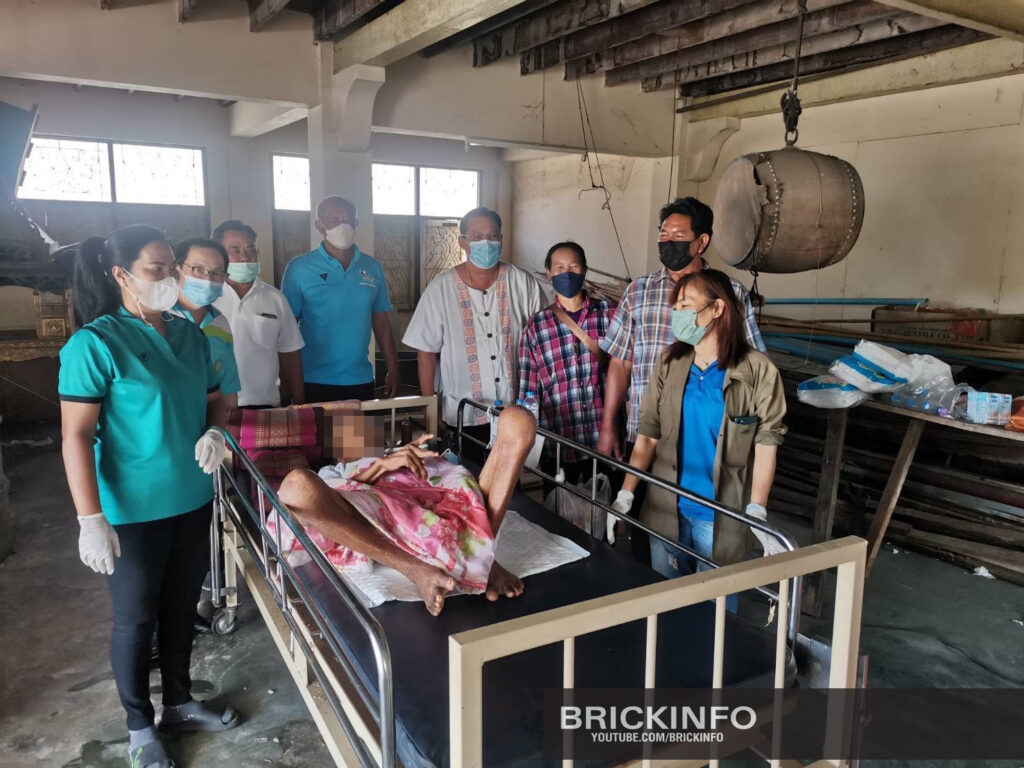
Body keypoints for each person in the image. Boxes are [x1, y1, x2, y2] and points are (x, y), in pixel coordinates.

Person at [59, 225, 238, 768]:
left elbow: (216, 400)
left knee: (181, 607)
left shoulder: (190, 336)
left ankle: (179, 703)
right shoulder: (95, 344)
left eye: (171, 269)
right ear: (121, 275)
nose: (170, 278)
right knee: (136, 620)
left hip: (191, 498)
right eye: (156, 269)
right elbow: (76, 435)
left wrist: (216, 431)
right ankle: (139, 726)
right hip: (132, 510)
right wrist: (90, 518)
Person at [598, 197, 766, 558]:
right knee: (648, 536)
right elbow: (620, 363)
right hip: (645, 436)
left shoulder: (729, 293)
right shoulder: (638, 291)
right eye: (663, 234)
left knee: (709, 544)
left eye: (678, 235)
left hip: (706, 442)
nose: (667, 242)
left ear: (701, 242)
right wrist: (609, 423)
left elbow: (751, 365)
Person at [611, 269, 786, 602]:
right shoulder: (669, 362)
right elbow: (648, 433)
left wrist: (757, 510)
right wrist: (626, 494)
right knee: (666, 602)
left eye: (686, 305)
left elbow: (767, 443)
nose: (677, 314)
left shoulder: (757, 370)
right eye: (675, 307)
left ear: (717, 308)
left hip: (720, 513)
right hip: (666, 508)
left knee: (715, 610)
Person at [277, 406, 537, 615]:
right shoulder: (333, 471)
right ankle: (419, 569)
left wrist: (412, 462)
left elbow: (445, 477)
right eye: (351, 440)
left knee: (519, 419)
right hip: (370, 519)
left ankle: (481, 556)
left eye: (368, 437)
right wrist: (379, 468)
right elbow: (329, 498)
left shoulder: (402, 455)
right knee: (297, 487)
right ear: (338, 455)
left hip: (431, 505)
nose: (362, 442)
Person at [403, 207, 547, 466]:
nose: (486, 242)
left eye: (492, 236)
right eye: (478, 236)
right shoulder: (441, 288)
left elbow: (544, 339)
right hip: (463, 412)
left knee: (509, 478)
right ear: (462, 242)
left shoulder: (522, 283)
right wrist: (430, 407)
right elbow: (426, 351)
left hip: (515, 410)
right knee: (466, 477)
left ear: (501, 239)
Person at [281, 196, 399, 403]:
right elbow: (286, 331)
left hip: (360, 378)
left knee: (355, 427)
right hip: (313, 379)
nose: (343, 226)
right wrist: (288, 382)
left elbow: (381, 323)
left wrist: (393, 367)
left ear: (356, 223)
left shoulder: (372, 267)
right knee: (319, 427)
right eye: (334, 220)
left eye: (348, 219)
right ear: (320, 226)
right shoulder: (299, 269)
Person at [517, 241, 614, 482]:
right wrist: (527, 442)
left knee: (605, 501)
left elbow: (624, 373)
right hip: (559, 441)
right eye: (559, 268)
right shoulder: (537, 325)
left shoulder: (610, 314)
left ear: (585, 270)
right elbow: (529, 390)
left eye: (574, 266)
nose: (567, 273)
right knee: (558, 504)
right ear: (549, 274)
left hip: (604, 439)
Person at [211, 220, 306, 408]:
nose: (244, 257)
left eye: (250, 249)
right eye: (235, 250)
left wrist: (299, 401)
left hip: (264, 404)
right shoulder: (208, 296)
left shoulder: (275, 298)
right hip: (214, 406)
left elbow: (290, 353)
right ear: (218, 254)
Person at [170, 237, 241, 412]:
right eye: (198, 269)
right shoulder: (159, 317)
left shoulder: (219, 322)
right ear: (177, 268)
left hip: (212, 422)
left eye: (217, 273)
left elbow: (228, 387)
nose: (208, 279)